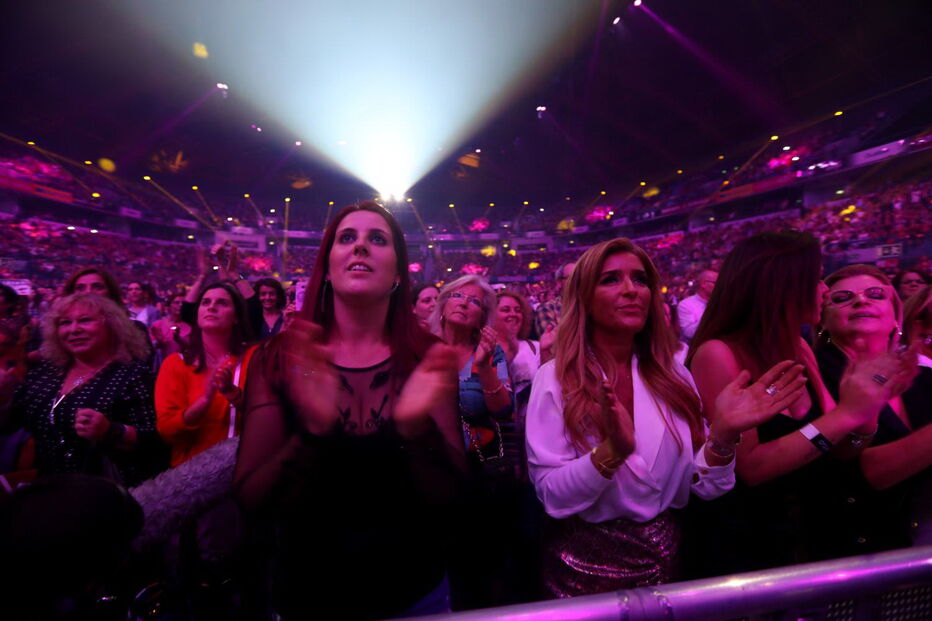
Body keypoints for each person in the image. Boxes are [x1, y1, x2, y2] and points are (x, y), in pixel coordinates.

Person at [527, 237, 807, 596]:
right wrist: (610, 454)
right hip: (583, 574)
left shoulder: (674, 376)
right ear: (583, 297)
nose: (632, 290)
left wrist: (722, 436)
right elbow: (552, 496)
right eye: (611, 279)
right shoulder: (554, 378)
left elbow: (704, 486)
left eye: (641, 279)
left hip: (670, 565)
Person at [234, 201, 465, 620]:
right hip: (308, 597)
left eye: (377, 239)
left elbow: (455, 503)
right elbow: (251, 499)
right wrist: (312, 434)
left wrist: (414, 431)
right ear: (328, 265)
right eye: (347, 238)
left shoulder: (428, 358)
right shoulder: (276, 357)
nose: (360, 247)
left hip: (416, 596)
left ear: (399, 274)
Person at [686, 232, 919, 576]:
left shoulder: (798, 346)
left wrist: (865, 418)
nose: (824, 289)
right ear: (780, 285)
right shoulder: (718, 353)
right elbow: (750, 468)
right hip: (746, 547)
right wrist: (847, 414)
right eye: (815, 278)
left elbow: (836, 449)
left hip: (808, 537)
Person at [816, 264, 931, 550]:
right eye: (842, 298)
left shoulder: (926, 377)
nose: (861, 300)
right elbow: (860, 473)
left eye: (876, 294)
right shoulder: (811, 378)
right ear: (823, 322)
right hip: (850, 556)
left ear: (896, 316)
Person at [0, 293, 164, 486]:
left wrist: (110, 431)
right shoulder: (45, 372)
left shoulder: (134, 375)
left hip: (107, 494)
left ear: (112, 326)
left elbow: (155, 442)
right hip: (50, 490)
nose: (73, 330)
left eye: (85, 321)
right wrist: (3, 398)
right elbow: (9, 425)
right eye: (65, 323)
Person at [155, 282, 255, 467]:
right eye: (205, 302)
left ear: (236, 317)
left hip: (243, 470)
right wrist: (204, 402)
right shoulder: (175, 364)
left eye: (222, 303)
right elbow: (166, 431)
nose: (211, 307)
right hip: (190, 475)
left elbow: (265, 417)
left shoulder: (253, 358)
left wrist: (232, 393)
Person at [532, 262, 574, 338]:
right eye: (572, 277)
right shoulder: (548, 308)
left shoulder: (593, 306)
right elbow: (554, 343)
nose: (577, 280)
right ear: (559, 282)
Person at [149, 293, 191, 369]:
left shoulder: (189, 327)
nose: (180, 305)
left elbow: (191, 349)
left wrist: (179, 340)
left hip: (182, 366)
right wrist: (159, 342)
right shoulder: (158, 325)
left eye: (183, 303)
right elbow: (151, 348)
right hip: (163, 366)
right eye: (176, 302)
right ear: (169, 306)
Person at [676, 269, 717, 343]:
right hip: (696, 350)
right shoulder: (685, 304)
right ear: (703, 284)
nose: (719, 286)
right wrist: (711, 312)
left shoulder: (720, 302)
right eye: (716, 283)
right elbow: (688, 333)